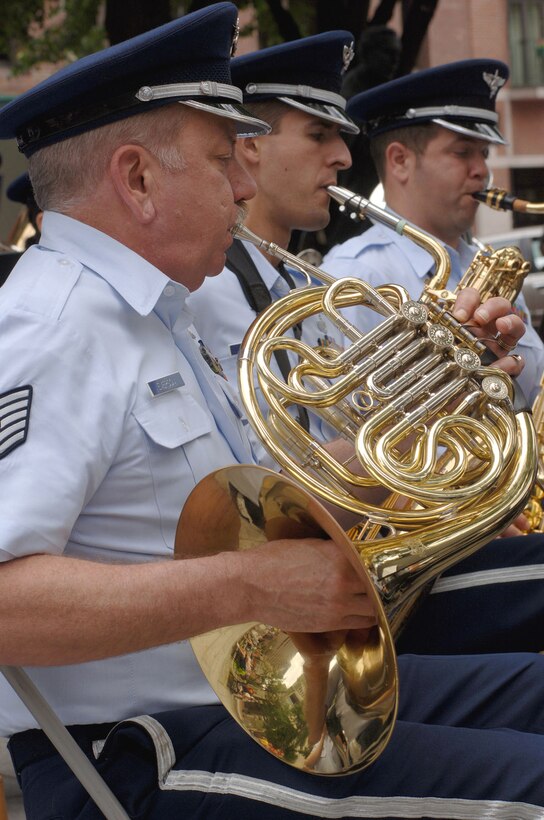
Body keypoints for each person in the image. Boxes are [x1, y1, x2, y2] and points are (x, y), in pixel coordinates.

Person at [0, 7, 543, 815]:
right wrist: (246, 587)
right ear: (137, 178)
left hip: (259, 706)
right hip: (136, 754)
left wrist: (436, 403)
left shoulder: (155, 314)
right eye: (225, 160)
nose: (246, 185)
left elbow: (273, 499)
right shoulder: (55, 324)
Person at [323, 59, 544, 407]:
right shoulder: (354, 275)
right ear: (399, 160)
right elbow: (351, 418)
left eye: (484, 154)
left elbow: (532, 397)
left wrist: (508, 362)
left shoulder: (487, 264)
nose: (482, 171)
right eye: (462, 153)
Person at [188, 32, 358, 461]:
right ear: (250, 145)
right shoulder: (197, 290)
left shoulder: (307, 290)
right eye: (319, 135)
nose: (343, 157)